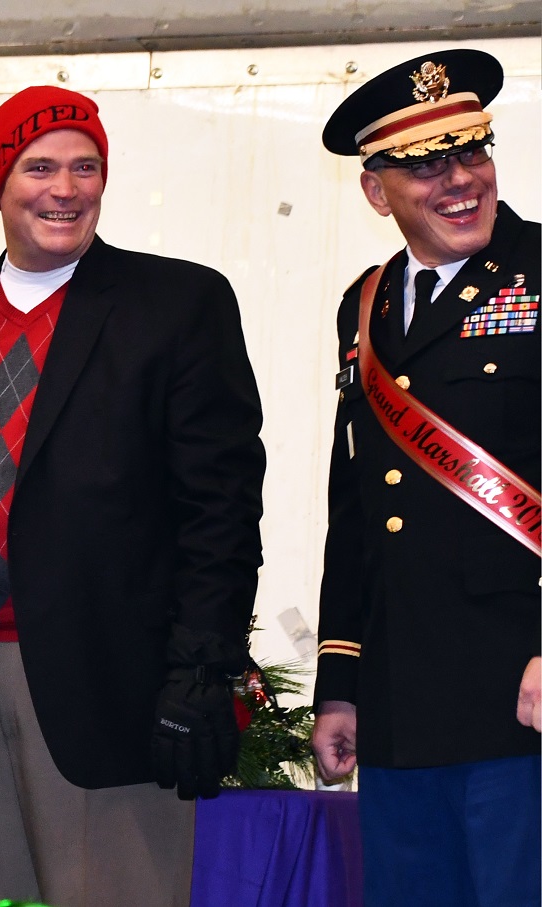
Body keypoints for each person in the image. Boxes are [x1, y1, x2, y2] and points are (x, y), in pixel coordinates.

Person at [0, 86, 266, 906]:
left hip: (115, 690)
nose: (66, 188)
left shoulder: (179, 304)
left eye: (86, 167)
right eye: (39, 166)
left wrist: (201, 671)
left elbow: (219, 510)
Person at [312, 48, 539, 906]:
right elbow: (357, 502)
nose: (459, 180)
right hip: (403, 701)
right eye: (426, 164)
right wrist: (341, 679)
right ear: (377, 191)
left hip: (522, 696)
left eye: (473, 151)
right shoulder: (364, 303)